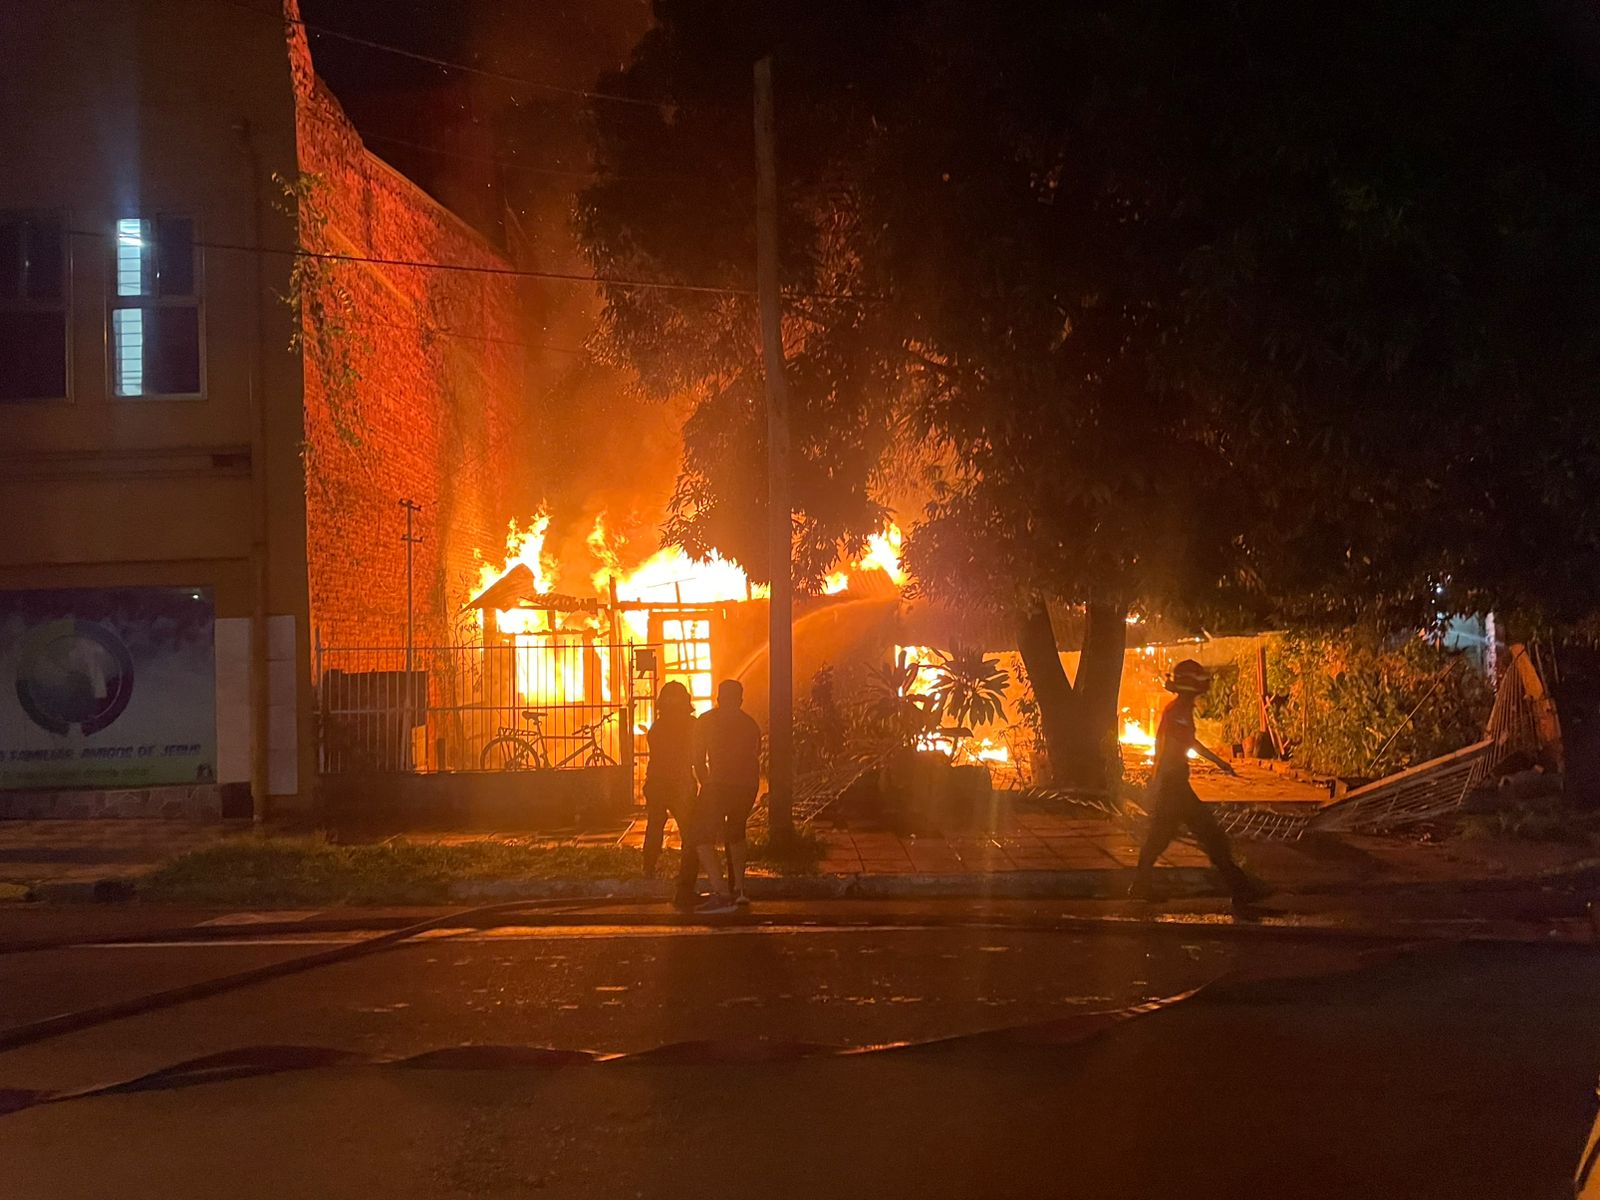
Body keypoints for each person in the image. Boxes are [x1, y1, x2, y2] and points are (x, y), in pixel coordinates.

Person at [1129, 659, 1270, 906]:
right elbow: (1173, 747)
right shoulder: (1178, 711)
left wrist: (1218, 762)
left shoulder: (1178, 710)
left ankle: (1140, 885)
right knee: (1208, 835)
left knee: (1167, 837)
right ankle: (1240, 888)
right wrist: (1162, 782)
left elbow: (1187, 743)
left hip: (1173, 784)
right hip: (1173, 785)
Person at [693, 678, 763, 907]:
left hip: (719, 784)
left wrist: (706, 783)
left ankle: (720, 889)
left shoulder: (707, 720)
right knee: (736, 832)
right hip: (747, 786)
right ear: (740, 700)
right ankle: (740, 888)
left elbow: (697, 758)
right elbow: (756, 754)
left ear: (718, 698)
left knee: (701, 837)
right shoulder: (750, 724)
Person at [641, 681, 703, 909]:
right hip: (680, 785)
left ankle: (648, 868)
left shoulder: (657, 728)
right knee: (690, 833)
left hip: (658, 783)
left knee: (655, 825)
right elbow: (695, 755)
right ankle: (686, 879)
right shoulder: (692, 726)